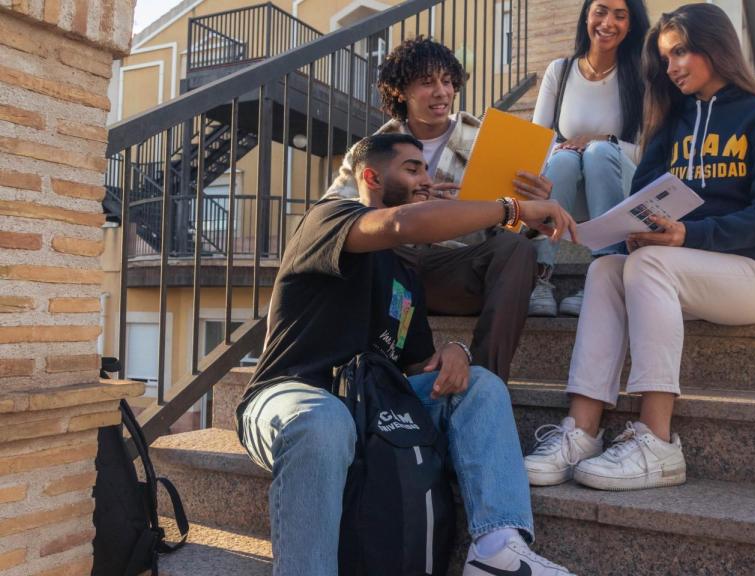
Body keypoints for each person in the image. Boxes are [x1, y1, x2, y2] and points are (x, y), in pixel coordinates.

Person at [237, 133, 579, 575]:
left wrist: (455, 351)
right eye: (412, 169)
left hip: (374, 408)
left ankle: (497, 549)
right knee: (323, 422)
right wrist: (512, 209)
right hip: (292, 396)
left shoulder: (405, 272)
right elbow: (402, 224)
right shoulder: (330, 219)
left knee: (480, 386)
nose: (426, 178)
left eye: (427, 169)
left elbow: (417, 366)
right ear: (372, 177)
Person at [524, 3, 755, 491]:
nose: (671, 67)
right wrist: (626, 228)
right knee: (606, 271)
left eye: (681, 53)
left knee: (648, 265)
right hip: (684, 275)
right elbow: (643, 199)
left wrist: (687, 234)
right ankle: (581, 431)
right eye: (665, 58)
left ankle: (658, 441)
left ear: (716, 47)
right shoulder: (670, 125)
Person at [327, 37, 553, 382]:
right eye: (427, 82)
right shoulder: (372, 149)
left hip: (454, 268)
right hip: (390, 265)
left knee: (517, 248)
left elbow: (511, 231)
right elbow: (332, 215)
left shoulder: (489, 141)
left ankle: (486, 381)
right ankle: (360, 379)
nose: (441, 92)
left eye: (447, 81)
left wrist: (531, 208)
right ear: (401, 91)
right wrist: (409, 207)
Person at [528, 0, 650, 317]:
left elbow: (649, 151)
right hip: (568, 185)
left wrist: (602, 141)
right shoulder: (560, 70)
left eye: (620, 16)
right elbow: (536, 141)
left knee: (597, 152)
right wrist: (568, 148)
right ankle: (540, 276)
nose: (607, 22)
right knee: (564, 159)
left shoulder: (641, 75)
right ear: (586, 16)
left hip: (617, 182)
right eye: (600, 11)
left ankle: (603, 274)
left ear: (631, 25)